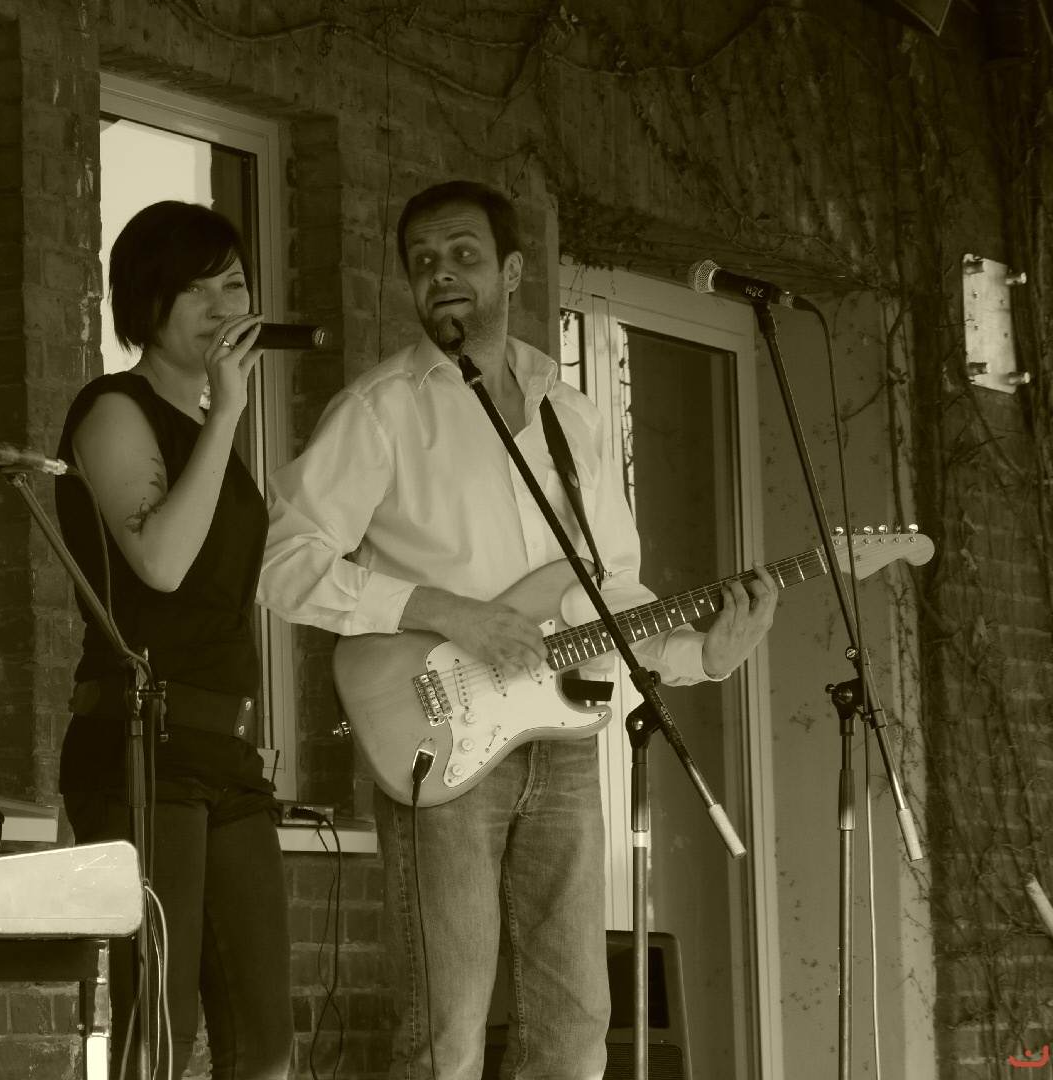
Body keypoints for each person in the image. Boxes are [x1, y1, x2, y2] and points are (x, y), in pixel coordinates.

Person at [258, 181, 779, 1079]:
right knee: (448, 1031)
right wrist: (443, 611)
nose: (440, 274)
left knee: (575, 1026)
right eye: (423, 261)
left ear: (511, 270)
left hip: (565, 738)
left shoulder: (568, 413)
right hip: (438, 733)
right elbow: (283, 563)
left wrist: (700, 655)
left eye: (462, 254)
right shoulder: (381, 410)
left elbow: (607, 590)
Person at [53, 200, 292, 1079]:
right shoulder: (114, 408)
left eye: (234, 285)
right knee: (160, 1024)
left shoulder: (206, 430)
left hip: (225, 749)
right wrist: (226, 415)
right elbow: (159, 562)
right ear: (148, 302)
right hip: (141, 746)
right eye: (197, 289)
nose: (223, 306)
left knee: (265, 1040)